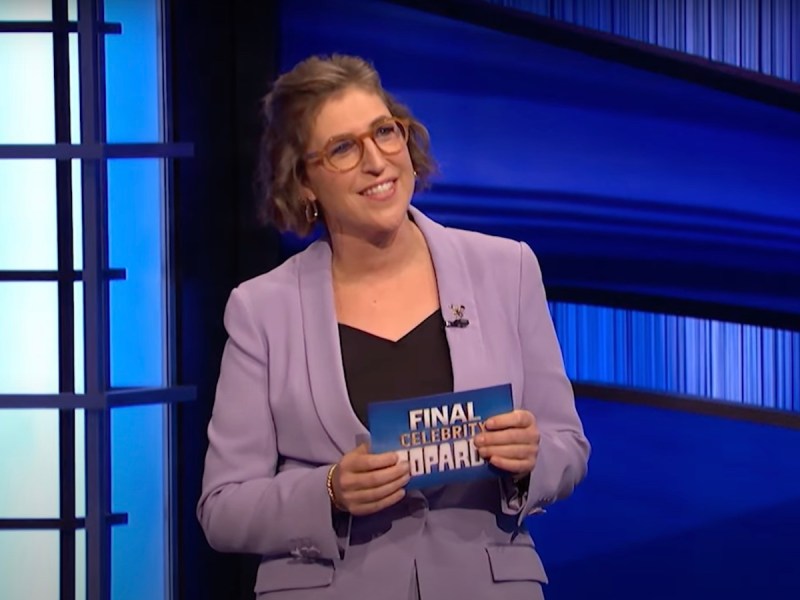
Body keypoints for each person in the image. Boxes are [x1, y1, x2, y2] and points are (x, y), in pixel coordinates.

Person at [197, 54, 590, 600]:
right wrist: (328, 491)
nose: (377, 161)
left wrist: (530, 460)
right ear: (304, 181)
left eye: (385, 132)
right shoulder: (262, 308)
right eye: (342, 148)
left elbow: (568, 446)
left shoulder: (508, 269)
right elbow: (224, 506)